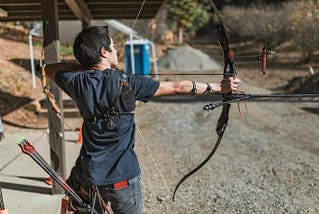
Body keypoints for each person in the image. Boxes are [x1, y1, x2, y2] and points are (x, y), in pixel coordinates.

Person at [45, 25, 240, 214]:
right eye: (112, 46)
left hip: (90, 178)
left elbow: (49, 69)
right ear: (103, 52)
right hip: (123, 178)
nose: (116, 50)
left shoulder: (76, 82)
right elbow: (177, 87)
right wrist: (218, 87)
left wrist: (87, 66)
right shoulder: (129, 83)